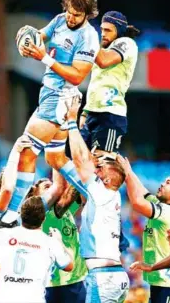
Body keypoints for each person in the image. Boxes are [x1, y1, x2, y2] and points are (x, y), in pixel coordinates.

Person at [0, 0, 101, 227]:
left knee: (26, 151)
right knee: (54, 158)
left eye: (77, 15)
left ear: (87, 14)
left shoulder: (88, 37)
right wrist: (26, 44)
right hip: (51, 94)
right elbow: (39, 36)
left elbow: (76, 76)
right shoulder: (60, 20)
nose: (71, 18)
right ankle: (96, 194)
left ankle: (11, 216)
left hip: (60, 96)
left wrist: (43, 57)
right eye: (69, 12)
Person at [64, 96, 129, 302]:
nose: (97, 168)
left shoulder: (102, 192)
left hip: (103, 277)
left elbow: (80, 161)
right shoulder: (109, 195)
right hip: (114, 275)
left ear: (109, 178)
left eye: (101, 168)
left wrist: (71, 122)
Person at [0, 197, 74, 303]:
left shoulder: (3, 234)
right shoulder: (50, 242)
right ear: (43, 219)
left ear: (20, 215)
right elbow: (69, 266)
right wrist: (59, 241)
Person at [116, 154, 170, 303]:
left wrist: (126, 173)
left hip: (168, 285)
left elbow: (137, 202)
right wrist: (129, 172)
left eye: (168, 182)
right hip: (160, 283)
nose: (162, 184)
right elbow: (143, 193)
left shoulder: (168, 212)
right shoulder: (164, 207)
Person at [79, 11, 140, 157]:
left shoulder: (127, 43)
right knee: (78, 160)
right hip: (92, 113)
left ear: (118, 31)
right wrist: (85, 113)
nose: (103, 34)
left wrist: (88, 34)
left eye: (108, 30)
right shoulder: (102, 49)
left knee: (102, 166)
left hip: (110, 115)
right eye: (101, 29)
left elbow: (104, 61)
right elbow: (96, 84)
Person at [26, 180, 88, 303]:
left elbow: (82, 194)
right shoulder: (46, 214)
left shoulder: (66, 211)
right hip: (58, 284)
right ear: (36, 196)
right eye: (47, 187)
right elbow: (73, 189)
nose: (55, 190)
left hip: (75, 280)